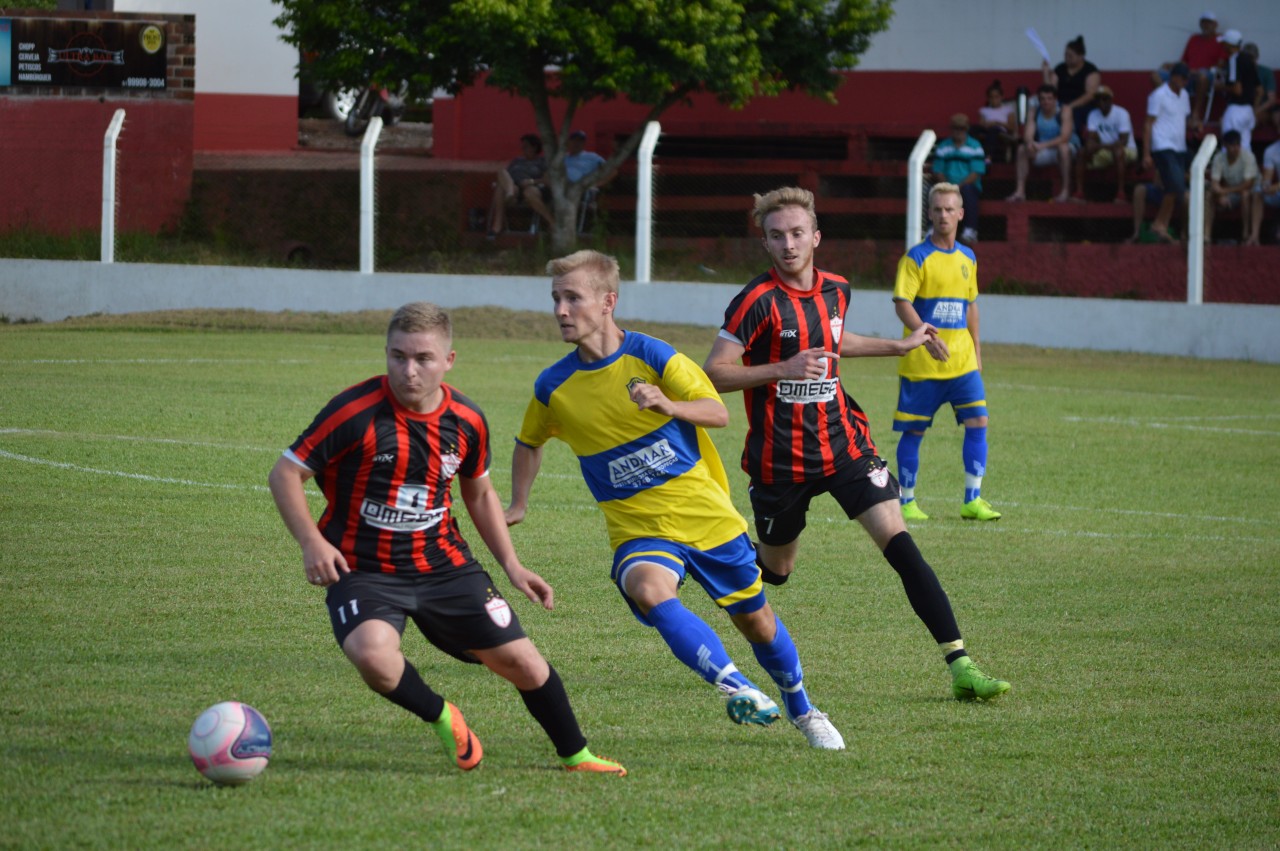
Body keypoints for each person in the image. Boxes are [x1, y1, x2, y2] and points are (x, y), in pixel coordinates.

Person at [505, 250, 846, 749]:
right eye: (556, 298)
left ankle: (802, 708)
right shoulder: (554, 385)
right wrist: (518, 503)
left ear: (607, 302)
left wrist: (667, 403)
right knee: (647, 588)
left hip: (707, 518)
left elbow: (716, 411)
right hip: (639, 530)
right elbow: (529, 441)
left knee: (757, 622)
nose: (560, 309)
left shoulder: (653, 355)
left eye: (572, 298)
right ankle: (738, 688)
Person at [268, 301, 626, 776]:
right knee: (374, 657)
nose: (409, 371)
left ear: (449, 360)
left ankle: (577, 756)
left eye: (423, 359)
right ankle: (443, 716)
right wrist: (313, 543)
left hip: (445, 567)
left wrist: (513, 566)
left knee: (525, 664)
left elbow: (478, 495)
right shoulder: (354, 412)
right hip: (364, 570)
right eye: (398, 357)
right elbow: (286, 473)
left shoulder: (467, 420)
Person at [701, 186, 1011, 703]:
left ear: (816, 237)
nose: (788, 244)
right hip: (781, 460)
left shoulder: (837, 289)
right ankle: (716, 557)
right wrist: (782, 368)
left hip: (845, 444)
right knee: (776, 572)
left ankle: (961, 664)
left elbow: (834, 339)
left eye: (798, 233)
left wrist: (899, 344)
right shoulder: (755, 302)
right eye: (776, 236)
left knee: (901, 545)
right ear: (766, 243)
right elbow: (714, 372)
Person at [892, 182, 1000, 523]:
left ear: (960, 214)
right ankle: (906, 500)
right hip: (923, 365)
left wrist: (978, 350)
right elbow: (902, 303)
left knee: (979, 420)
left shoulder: (969, 257)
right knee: (914, 431)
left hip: (962, 362)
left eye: (949, 209)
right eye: (937, 209)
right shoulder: (916, 258)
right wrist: (924, 335)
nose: (943, 215)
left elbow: (970, 306)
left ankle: (973, 499)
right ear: (930, 213)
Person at [1142, 62, 1196, 243]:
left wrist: (1194, 125)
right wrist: (1146, 154)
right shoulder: (1158, 95)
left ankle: (1161, 224)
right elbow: (1148, 124)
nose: (1185, 81)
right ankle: (1159, 224)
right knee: (1176, 187)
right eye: (1182, 77)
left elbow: (1182, 119)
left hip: (1179, 146)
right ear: (1173, 76)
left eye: (1186, 78)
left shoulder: (1185, 96)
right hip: (1163, 145)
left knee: (1174, 188)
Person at [1006, 84, 1078, 203]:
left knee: (1063, 148)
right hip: (1045, 150)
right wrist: (1030, 143)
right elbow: (1028, 135)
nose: (1046, 102)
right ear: (1039, 100)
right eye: (1043, 99)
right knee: (1021, 149)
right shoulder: (1034, 111)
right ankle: (1020, 192)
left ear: (1055, 99)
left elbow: (1064, 137)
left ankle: (1065, 191)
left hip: (1068, 151)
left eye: (1049, 98)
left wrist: (1042, 145)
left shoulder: (1065, 110)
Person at [1074, 85, 1138, 203]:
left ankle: (1121, 194)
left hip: (1128, 150)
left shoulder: (1122, 113)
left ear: (1111, 100)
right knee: (1081, 152)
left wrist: (1097, 146)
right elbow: (1092, 138)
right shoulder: (1093, 114)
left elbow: (1123, 141)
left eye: (1104, 98)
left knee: (1118, 151)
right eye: (1098, 99)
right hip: (1106, 150)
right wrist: (1091, 145)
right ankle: (1079, 193)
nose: (1101, 102)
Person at [929, 113, 986, 244]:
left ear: (967, 129)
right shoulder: (944, 145)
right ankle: (932, 228)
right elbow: (937, 170)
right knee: (933, 192)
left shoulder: (975, 146)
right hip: (946, 185)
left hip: (968, 186)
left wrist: (958, 187)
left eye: (962, 128)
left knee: (968, 191)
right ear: (951, 129)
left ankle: (970, 230)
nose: (958, 131)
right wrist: (947, 186)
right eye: (956, 128)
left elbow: (976, 172)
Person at [1170, 11, 1228, 122]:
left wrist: (1196, 71)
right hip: (1188, 73)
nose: (1206, 25)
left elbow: (1221, 64)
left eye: (1209, 23)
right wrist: (1171, 66)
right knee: (1157, 75)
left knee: (1202, 76)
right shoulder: (1194, 39)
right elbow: (1184, 61)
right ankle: (1172, 109)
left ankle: (1195, 114)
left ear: (1216, 25)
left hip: (1208, 75)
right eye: (1204, 23)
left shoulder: (1221, 39)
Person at [487, 133, 549, 238]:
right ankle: (510, 192)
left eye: (525, 146)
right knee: (501, 172)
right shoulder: (517, 161)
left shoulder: (541, 162)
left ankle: (496, 227)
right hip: (513, 189)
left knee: (500, 189)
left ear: (534, 147)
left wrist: (531, 181)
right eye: (522, 146)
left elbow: (547, 179)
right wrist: (510, 187)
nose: (522, 149)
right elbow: (506, 175)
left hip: (528, 189)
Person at [1205, 129, 1260, 245]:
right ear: (1225, 145)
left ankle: (1245, 234)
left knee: (1245, 194)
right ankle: (1206, 235)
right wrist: (1221, 195)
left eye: (1237, 145)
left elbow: (1248, 184)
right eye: (1232, 145)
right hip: (1230, 191)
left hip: (1250, 191)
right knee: (1209, 195)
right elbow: (1215, 183)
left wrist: (1224, 191)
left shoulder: (1248, 156)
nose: (1235, 148)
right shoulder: (1219, 158)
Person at [1042, 35, 1102, 138]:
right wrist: (1046, 74)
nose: (1066, 58)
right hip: (1060, 104)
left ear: (1081, 56)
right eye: (1065, 55)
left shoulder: (1090, 70)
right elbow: (1050, 91)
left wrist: (1070, 106)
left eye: (1070, 56)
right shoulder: (1060, 68)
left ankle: (1073, 141)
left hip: (1082, 106)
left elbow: (1090, 95)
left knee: (1073, 115)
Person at [1217, 29, 1260, 152]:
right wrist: (1254, 109)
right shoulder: (1249, 60)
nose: (1223, 46)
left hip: (1236, 110)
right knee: (1245, 148)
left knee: (1229, 148)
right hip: (1248, 110)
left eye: (1224, 43)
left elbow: (1237, 90)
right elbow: (1259, 90)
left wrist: (1219, 86)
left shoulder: (1234, 60)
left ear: (1229, 45)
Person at [975, 79, 1017, 164]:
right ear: (988, 98)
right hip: (987, 130)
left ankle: (988, 157)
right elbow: (981, 125)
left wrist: (997, 123)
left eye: (997, 97)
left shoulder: (1008, 110)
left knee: (994, 130)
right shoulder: (984, 110)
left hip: (1002, 132)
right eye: (991, 97)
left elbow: (1012, 128)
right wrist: (987, 125)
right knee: (974, 128)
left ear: (1002, 97)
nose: (994, 99)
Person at [1256, 121, 1280, 245]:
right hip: (1278, 192)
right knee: (1257, 192)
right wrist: (1265, 185)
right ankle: (1253, 236)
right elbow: (1267, 178)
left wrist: (1276, 186)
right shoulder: (1271, 150)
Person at [1242, 43, 1276, 123]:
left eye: (1251, 58)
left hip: (1261, 109)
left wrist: (1255, 111)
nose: (1248, 61)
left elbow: (1271, 99)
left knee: (1250, 120)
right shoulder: (1240, 73)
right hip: (1243, 108)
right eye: (1245, 58)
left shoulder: (1266, 72)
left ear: (1257, 57)